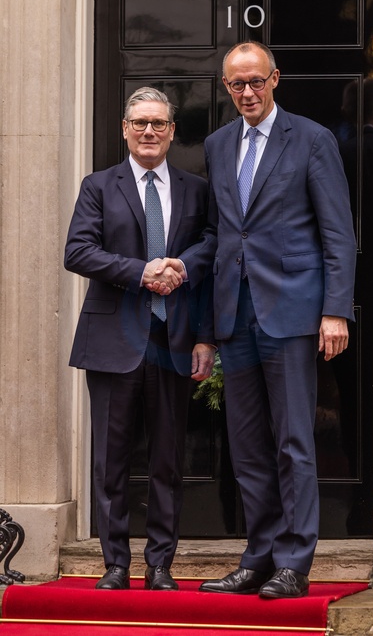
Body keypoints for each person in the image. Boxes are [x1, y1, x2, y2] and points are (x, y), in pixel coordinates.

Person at [160, 41, 357, 599]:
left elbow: (338, 232)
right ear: (226, 87)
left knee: (293, 441)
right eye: (236, 84)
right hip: (234, 314)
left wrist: (335, 309)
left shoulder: (312, 139)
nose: (246, 92)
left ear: (275, 79)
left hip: (291, 311)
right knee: (246, 446)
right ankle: (259, 556)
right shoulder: (219, 144)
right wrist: (196, 303)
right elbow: (221, 234)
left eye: (255, 81)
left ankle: (294, 563)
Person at [64, 87, 215, 591]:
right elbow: (78, 251)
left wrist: (183, 270)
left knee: (167, 459)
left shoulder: (196, 189)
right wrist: (141, 271)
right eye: (140, 123)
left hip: (173, 341)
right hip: (112, 341)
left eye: (158, 123)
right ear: (125, 130)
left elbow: (212, 246)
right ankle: (114, 564)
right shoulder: (98, 186)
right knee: (110, 459)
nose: (149, 131)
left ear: (172, 131)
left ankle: (160, 564)